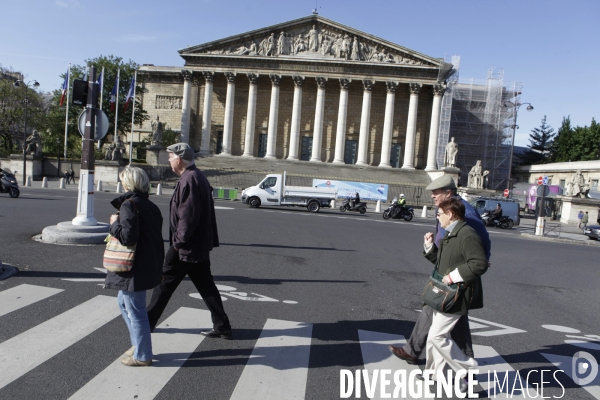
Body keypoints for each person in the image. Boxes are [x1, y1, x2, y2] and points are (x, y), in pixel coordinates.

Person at [390, 175, 491, 364]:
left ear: (448, 193)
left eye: (436, 194)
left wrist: (481, 260)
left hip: (455, 274)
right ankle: (422, 354)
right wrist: (431, 249)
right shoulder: (447, 209)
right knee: (441, 310)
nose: (433, 198)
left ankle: (464, 365)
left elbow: (480, 240)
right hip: (445, 270)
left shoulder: (464, 213)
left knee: (448, 314)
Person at [147, 143, 232, 338]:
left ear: (179, 159)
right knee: (206, 286)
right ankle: (222, 326)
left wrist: (177, 243)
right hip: (197, 245)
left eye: (170, 157)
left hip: (186, 246)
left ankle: (146, 322)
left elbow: (188, 217)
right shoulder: (197, 176)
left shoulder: (190, 179)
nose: (168, 161)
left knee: (164, 283)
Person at [422, 197, 488, 386]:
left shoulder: (467, 234)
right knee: (436, 337)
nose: (437, 216)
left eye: (440, 214)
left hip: (456, 294)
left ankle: (467, 367)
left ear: (451, 214)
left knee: (437, 336)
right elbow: (441, 262)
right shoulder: (451, 232)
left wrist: (453, 277)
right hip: (443, 292)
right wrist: (429, 247)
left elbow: (479, 263)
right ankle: (433, 374)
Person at [104, 166, 164, 367]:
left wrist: (114, 223)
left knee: (135, 311)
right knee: (124, 304)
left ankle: (143, 354)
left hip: (133, 268)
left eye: (123, 181)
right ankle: (138, 345)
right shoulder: (151, 206)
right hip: (146, 265)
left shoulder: (129, 205)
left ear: (129, 184)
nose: (121, 184)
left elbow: (128, 237)